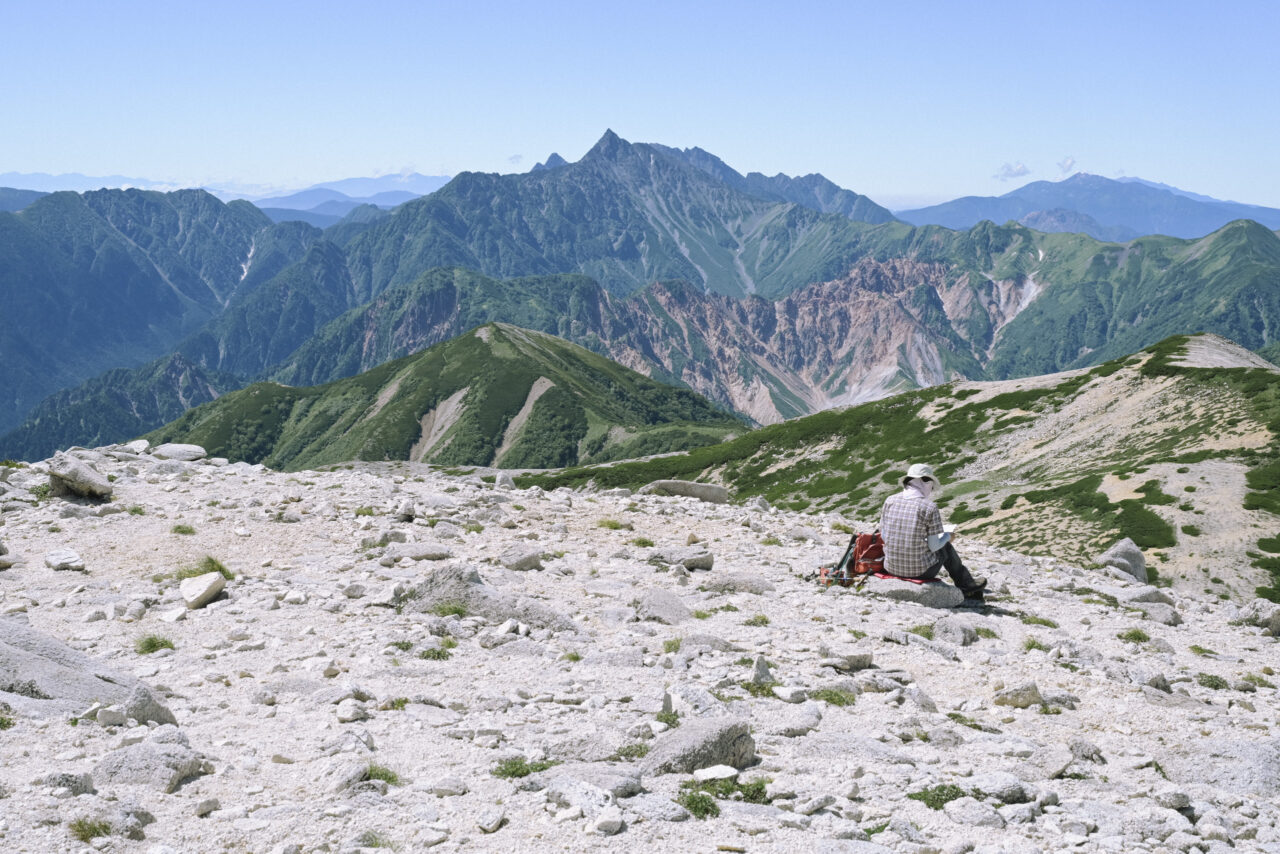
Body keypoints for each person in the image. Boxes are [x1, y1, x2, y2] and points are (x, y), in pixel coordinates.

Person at [880, 463, 987, 601]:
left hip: (891, 567)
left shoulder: (890, 500)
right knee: (945, 546)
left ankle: (967, 583)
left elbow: (883, 534)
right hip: (919, 572)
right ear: (925, 482)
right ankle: (967, 584)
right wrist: (948, 537)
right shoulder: (929, 507)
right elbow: (934, 546)